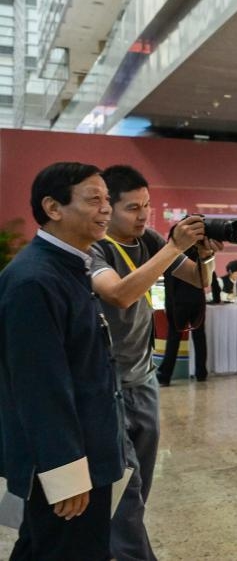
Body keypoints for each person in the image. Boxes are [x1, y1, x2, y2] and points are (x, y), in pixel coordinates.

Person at [90, 165, 219, 561]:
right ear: (107, 208)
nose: (144, 216)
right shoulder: (95, 248)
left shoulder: (145, 238)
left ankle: (109, 545)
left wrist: (206, 256)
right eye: (132, 207)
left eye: (147, 205)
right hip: (106, 383)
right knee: (122, 487)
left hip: (142, 375)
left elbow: (200, 281)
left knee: (138, 483)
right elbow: (120, 294)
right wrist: (173, 247)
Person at [0, 162, 124, 560]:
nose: (106, 209)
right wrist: (66, 473)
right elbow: (40, 387)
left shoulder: (70, 267)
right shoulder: (34, 280)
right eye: (94, 199)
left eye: (107, 199)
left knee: (41, 547)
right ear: (53, 207)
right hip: (70, 465)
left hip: (89, 448)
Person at [158, 240, 210, 386]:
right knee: (200, 337)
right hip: (198, 302)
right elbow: (209, 277)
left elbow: (169, 284)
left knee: (173, 339)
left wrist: (168, 305)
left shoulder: (172, 257)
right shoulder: (199, 254)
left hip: (178, 304)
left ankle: (165, 376)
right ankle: (201, 373)